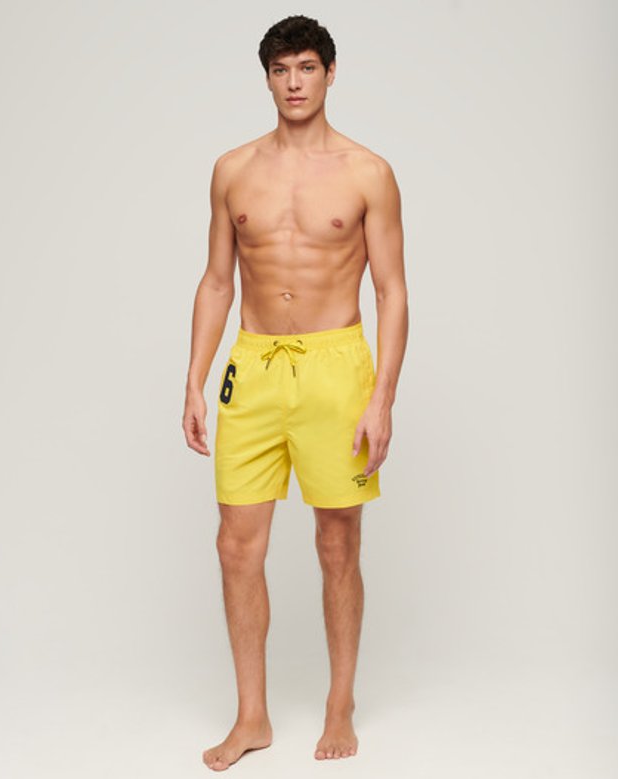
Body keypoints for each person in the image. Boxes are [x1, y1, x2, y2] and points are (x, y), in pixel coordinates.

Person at [182, 14, 409, 771]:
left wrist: (382, 398)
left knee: (337, 541)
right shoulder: (233, 169)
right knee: (235, 545)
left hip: (336, 366)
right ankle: (252, 715)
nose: (294, 83)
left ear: (330, 73)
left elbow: (392, 291)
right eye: (281, 70)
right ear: (267, 79)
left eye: (307, 67)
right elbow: (217, 281)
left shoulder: (368, 171)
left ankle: (340, 701)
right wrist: (194, 379)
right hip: (252, 368)